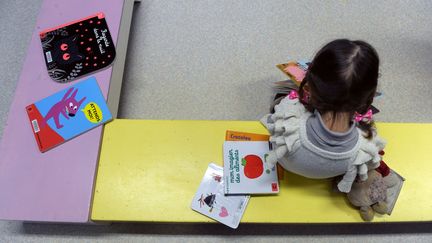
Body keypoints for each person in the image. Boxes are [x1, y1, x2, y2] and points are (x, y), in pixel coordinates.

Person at [261, 39, 394, 193]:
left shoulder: (291, 121)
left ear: (312, 87)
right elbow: (370, 162)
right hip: (327, 174)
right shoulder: (363, 149)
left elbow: (277, 118)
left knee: (282, 95)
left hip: (287, 163)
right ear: (368, 96)